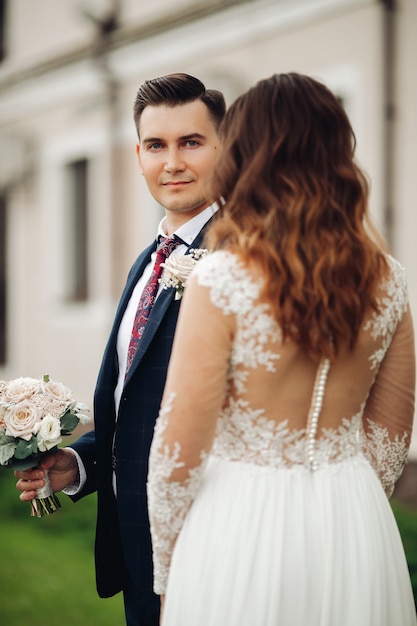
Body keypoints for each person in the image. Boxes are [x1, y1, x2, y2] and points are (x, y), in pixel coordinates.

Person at [146, 72, 416, 625]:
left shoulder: (220, 280)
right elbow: (391, 435)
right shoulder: (389, 280)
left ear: (243, 158)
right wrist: (355, 505)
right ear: (338, 155)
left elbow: (178, 450)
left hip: (239, 520)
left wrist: (170, 567)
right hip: (355, 519)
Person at [14, 73, 226, 626]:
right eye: (157, 145)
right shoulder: (147, 263)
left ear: (225, 148)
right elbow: (138, 403)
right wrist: (77, 465)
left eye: (192, 142)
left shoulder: (239, 260)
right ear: (137, 155)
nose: (172, 162)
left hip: (205, 546)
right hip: (137, 545)